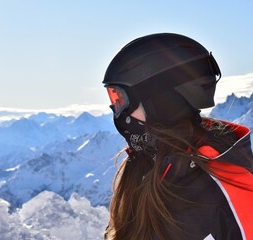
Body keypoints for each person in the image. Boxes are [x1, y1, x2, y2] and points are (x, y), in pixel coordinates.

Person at [102, 33, 253, 240]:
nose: (117, 111)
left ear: (160, 100)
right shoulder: (141, 170)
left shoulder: (230, 189)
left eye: (120, 98)